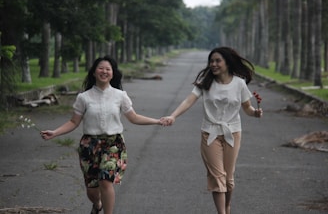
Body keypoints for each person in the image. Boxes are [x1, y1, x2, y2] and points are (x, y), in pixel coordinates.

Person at [41, 55, 163, 214]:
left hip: (113, 144)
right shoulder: (83, 97)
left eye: (108, 69)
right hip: (89, 146)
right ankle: (97, 204)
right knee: (92, 189)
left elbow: (134, 117)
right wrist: (55, 132)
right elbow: (73, 122)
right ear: (93, 72)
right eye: (101, 68)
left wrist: (157, 121)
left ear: (112, 73)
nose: (104, 71)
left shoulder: (120, 95)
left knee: (105, 181)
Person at [161, 47, 263, 214]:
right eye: (212, 61)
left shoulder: (239, 83)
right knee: (217, 177)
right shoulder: (206, 82)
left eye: (218, 61)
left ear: (227, 63)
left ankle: (227, 206)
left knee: (228, 179)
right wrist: (173, 116)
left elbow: (247, 108)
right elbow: (188, 101)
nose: (213, 64)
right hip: (210, 133)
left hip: (233, 133)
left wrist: (255, 113)